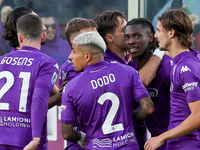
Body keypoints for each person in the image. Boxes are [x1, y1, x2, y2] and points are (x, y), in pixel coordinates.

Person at [61, 31, 154, 150]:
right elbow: (148, 108)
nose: (70, 57)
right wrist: (125, 116)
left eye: (74, 52)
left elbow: (67, 133)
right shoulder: (128, 72)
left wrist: (82, 137)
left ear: (87, 56)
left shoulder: (71, 87)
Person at [93, 10, 166, 150]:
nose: (129, 34)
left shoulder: (126, 61)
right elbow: (141, 80)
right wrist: (159, 52)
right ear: (110, 38)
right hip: (119, 144)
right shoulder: (107, 64)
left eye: (136, 35)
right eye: (124, 31)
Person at [0, 14, 59, 150]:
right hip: (26, 139)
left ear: (19, 38)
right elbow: (39, 99)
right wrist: (36, 137)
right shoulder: (47, 63)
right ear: (43, 36)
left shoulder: (1, 61)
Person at [144, 8, 200, 150]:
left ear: (171, 33)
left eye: (158, 30)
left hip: (187, 144)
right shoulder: (184, 60)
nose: (155, 35)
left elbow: (198, 116)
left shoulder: (186, 67)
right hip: (179, 143)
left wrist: (162, 137)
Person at [124, 18, 172, 150]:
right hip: (154, 142)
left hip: (176, 141)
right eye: (127, 37)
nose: (131, 41)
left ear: (151, 38)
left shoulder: (167, 66)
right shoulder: (129, 68)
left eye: (137, 36)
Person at [59, 17, 98, 150]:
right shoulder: (67, 68)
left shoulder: (103, 63)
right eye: (90, 35)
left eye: (96, 34)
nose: (96, 38)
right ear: (73, 41)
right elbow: (60, 100)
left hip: (103, 140)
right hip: (78, 142)